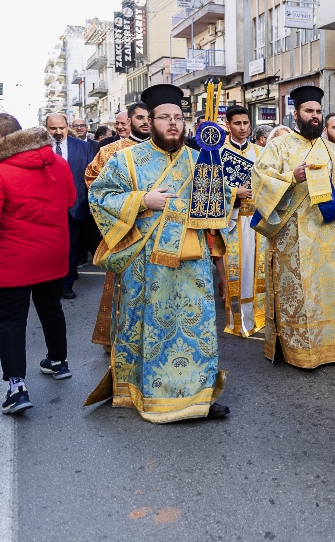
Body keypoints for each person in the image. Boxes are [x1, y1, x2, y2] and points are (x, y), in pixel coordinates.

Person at [88, 84, 231, 422]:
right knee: (147, 327)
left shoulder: (199, 159)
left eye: (178, 117)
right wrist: (142, 200)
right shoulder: (125, 160)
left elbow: (220, 204)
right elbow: (99, 197)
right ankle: (143, 391)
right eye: (165, 117)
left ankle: (199, 396)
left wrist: (217, 195)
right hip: (145, 266)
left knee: (196, 329)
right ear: (150, 122)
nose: (173, 123)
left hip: (191, 263)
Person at [251, 85, 335, 368]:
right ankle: (298, 351)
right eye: (309, 110)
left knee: (331, 292)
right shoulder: (279, 147)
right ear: (296, 113)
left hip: (330, 237)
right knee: (300, 295)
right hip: (293, 239)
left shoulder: (334, 151)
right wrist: (291, 177)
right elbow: (260, 180)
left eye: (318, 111)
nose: (315, 116)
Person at [0, 115, 74, 415]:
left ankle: (17, 388)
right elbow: (70, 200)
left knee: (12, 319)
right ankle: (58, 361)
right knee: (51, 307)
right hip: (53, 250)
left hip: (14, 256)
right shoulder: (58, 162)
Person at [84, 102, 150, 351]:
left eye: (149, 117)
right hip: (125, 229)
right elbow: (94, 184)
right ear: (130, 121)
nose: (145, 122)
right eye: (140, 117)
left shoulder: (166, 150)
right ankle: (120, 340)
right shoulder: (110, 151)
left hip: (158, 230)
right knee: (123, 286)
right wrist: (128, 205)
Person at [218, 105, 267, 337]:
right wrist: (233, 193)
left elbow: (270, 182)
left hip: (258, 220)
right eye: (237, 123)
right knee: (239, 271)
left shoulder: (260, 153)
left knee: (260, 270)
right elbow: (210, 189)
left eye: (246, 123)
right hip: (234, 221)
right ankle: (238, 321)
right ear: (228, 125)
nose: (242, 128)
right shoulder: (218, 154)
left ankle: (260, 318)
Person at [45, 114, 96, 299]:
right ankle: (50, 284)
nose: (58, 132)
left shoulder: (83, 147)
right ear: (46, 128)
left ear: (67, 127)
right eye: (53, 128)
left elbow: (91, 176)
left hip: (75, 206)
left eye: (62, 128)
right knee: (50, 249)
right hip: (47, 208)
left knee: (71, 246)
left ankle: (66, 286)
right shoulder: (38, 147)